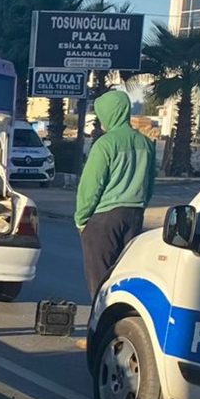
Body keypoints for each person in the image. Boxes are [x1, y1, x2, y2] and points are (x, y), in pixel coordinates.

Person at [75, 89, 156, 299]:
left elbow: (91, 186)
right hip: (134, 214)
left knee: (100, 282)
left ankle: (99, 325)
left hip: (104, 218)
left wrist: (82, 219)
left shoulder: (105, 144)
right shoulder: (146, 143)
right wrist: (140, 206)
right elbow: (150, 183)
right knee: (124, 276)